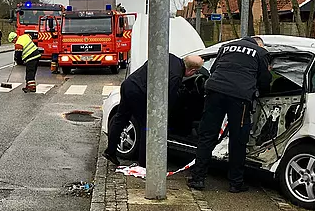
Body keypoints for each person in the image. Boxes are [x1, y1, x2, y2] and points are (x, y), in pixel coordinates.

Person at [188, 36, 272, 193]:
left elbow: (213, 70)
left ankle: (198, 178)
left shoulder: (226, 46)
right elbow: (265, 80)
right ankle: (236, 182)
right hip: (239, 98)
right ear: (259, 44)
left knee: (207, 136)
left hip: (214, 91)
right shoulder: (261, 53)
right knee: (238, 139)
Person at [103, 54, 205, 167]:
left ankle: (110, 151)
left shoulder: (168, 56)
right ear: (192, 71)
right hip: (139, 93)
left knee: (120, 118)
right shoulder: (176, 77)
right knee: (146, 126)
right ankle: (143, 164)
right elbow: (167, 101)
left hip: (129, 84)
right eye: (195, 73)